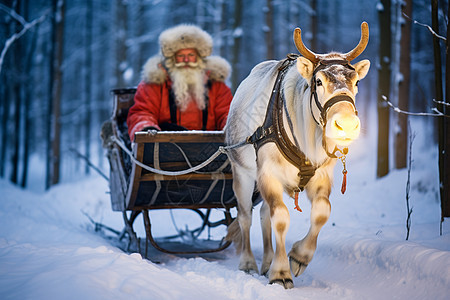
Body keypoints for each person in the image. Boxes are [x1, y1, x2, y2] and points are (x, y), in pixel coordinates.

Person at [127, 24, 233, 142]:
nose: (186, 60)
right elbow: (142, 112)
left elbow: (226, 113)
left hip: (210, 149)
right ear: (172, 59)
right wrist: (147, 128)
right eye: (181, 56)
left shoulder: (217, 86)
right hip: (165, 148)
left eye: (191, 55)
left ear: (199, 58)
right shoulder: (153, 85)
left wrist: (230, 128)